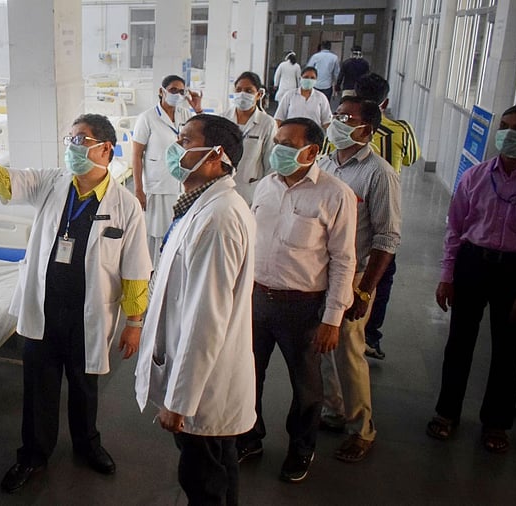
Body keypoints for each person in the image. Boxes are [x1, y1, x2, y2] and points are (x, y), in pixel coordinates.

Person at [0, 105, 153, 492]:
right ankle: (33, 455)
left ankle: (87, 445)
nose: (72, 146)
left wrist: (135, 322)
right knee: (38, 387)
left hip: (88, 314)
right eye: (69, 139)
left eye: (80, 140)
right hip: (44, 308)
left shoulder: (125, 205)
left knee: (84, 386)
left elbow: (135, 269)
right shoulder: (51, 183)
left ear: (106, 149)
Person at [135, 114, 256, 505]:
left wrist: (180, 400)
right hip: (202, 376)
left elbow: (206, 318)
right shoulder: (200, 206)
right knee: (218, 467)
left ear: (216, 156)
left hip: (204, 387)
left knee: (203, 479)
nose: (175, 149)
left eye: (185, 141)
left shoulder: (218, 218)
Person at [236, 117, 357, 483]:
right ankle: (249, 438)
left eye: (288, 145)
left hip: (302, 306)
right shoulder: (265, 186)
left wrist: (332, 318)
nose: (278, 150)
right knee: (248, 375)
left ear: (312, 151)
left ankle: (301, 449)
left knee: (306, 388)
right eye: (277, 142)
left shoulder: (335, 194)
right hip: (257, 299)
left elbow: (343, 260)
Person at [426, 103, 516, 454]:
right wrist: (447, 275)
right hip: (473, 264)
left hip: (515, 270)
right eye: (506, 126)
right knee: (459, 342)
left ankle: (496, 423)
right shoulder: (476, 176)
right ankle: (447, 412)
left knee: (507, 348)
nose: (510, 134)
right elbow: (454, 229)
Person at [318, 96, 401, 463]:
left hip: (355, 274)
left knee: (349, 350)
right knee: (324, 346)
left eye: (347, 117)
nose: (337, 121)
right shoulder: (324, 163)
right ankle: (334, 410)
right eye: (337, 114)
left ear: (366, 130)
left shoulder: (378, 173)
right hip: (320, 271)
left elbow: (387, 238)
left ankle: (361, 428)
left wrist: (365, 291)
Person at [353, 72, 421, 360]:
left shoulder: (346, 129)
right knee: (382, 274)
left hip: (353, 213)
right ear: (386, 102)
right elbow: (411, 158)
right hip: (386, 210)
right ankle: (371, 335)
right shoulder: (401, 130)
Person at [132, 75, 204, 265]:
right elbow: (136, 155)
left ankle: (172, 271)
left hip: (182, 184)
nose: (177, 94)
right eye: (173, 90)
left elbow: (203, 136)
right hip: (157, 185)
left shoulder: (186, 115)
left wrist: (197, 109)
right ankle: (153, 272)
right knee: (156, 233)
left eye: (181, 91)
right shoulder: (147, 118)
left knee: (179, 232)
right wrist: (138, 189)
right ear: (161, 91)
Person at [223, 71, 277, 204]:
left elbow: (270, 163)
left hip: (251, 191)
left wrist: (266, 192)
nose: (242, 94)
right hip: (223, 187)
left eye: (248, 91)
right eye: (238, 90)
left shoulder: (267, 123)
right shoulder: (223, 118)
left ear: (258, 94)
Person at [274, 67, 332, 131]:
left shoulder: (321, 97)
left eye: (312, 78)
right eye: (306, 77)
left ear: (316, 80)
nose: (309, 80)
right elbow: (279, 118)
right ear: (300, 78)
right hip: (291, 133)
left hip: (313, 134)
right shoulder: (289, 95)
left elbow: (327, 122)